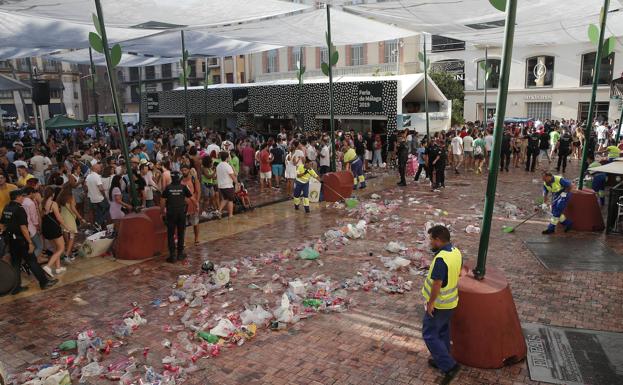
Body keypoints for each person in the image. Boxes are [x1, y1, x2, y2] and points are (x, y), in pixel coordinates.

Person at [422, 225, 462, 383]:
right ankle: (442, 359)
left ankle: (449, 366)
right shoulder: (456, 252)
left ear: (438, 240)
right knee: (443, 332)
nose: (429, 242)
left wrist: (431, 303)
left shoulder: (440, 260)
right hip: (451, 302)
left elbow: (436, 284)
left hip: (439, 304)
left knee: (430, 335)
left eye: (431, 239)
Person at [1, 189, 58, 294]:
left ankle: (16, 288)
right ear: (17, 197)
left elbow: (2, 225)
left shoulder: (6, 208)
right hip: (21, 240)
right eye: (22, 197)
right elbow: (23, 228)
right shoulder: (19, 209)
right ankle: (44, 283)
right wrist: (30, 243)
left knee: (16, 264)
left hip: (11, 240)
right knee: (32, 261)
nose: (23, 198)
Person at [161, 171, 192, 263]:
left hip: (171, 213)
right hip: (181, 213)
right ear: (179, 178)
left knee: (171, 234)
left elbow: (162, 201)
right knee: (181, 233)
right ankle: (180, 254)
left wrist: (162, 212)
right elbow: (189, 198)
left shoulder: (168, 188)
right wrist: (185, 207)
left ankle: (172, 256)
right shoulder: (183, 187)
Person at [41, 186, 69, 276]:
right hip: (54, 228)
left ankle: (58, 268)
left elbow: (41, 216)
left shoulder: (41, 203)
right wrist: (66, 226)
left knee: (55, 249)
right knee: (61, 248)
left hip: (46, 228)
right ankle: (48, 266)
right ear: (52, 194)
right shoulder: (53, 204)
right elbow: (59, 218)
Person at [57, 183, 84, 262]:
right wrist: (80, 217)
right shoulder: (71, 197)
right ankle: (66, 255)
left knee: (66, 237)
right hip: (70, 219)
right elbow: (73, 208)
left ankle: (69, 252)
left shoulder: (59, 197)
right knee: (72, 237)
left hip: (63, 218)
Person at [180, 164, 200, 246]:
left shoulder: (193, 178)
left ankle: (197, 238)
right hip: (183, 205)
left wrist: (197, 202)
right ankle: (182, 240)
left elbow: (198, 191)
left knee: (195, 222)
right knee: (182, 224)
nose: (184, 172)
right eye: (182, 170)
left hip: (193, 204)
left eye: (185, 170)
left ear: (188, 170)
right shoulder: (180, 180)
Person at [85, 163, 108, 227]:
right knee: (107, 209)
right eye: (99, 167)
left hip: (92, 199)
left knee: (98, 212)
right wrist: (104, 195)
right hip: (99, 198)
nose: (100, 169)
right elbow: (101, 188)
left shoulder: (88, 176)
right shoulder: (97, 176)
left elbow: (85, 187)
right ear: (96, 169)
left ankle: (100, 225)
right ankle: (99, 223)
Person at [216, 151, 238, 218]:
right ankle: (230, 214)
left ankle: (219, 211)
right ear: (227, 158)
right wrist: (237, 183)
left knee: (225, 199)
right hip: (228, 185)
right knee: (230, 200)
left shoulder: (218, 165)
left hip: (221, 185)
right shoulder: (227, 166)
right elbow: (233, 176)